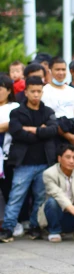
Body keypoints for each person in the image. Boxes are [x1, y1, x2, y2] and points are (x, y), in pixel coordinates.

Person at [0, 77, 59, 243]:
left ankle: (35, 226)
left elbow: (53, 130)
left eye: (39, 91)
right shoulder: (17, 112)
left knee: (40, 197)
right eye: (32, 91)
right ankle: (8, 228)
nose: (35, 94)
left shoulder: (48, 111)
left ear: (42, 92)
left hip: (44, 162)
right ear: (25, 92)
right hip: (23, 163)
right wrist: (40, 132)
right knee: (16, 197)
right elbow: (17, 132)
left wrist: (31, 130)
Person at [42, 144, 74, 242]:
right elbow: (58, 195)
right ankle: (54, 231)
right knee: (52, 202)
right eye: (68, 157)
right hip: (59, 214)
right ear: (59, 159)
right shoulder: (49, 173)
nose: (71, 161)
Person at [42, 56, 74, 149]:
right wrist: (68, 136)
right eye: (57, 69)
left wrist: (73, 123)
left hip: (73, 133)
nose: (61, 73)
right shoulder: (44, 92)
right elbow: (45, 120)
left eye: (63, 69)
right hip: (53, 138)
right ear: (50, 71)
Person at [0, 74, 17, 215]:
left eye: (1, 89)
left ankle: (12, 221)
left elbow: (13, 124)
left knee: (9, 190)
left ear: (9, 90)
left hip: (8, 156)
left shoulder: (14, 107)